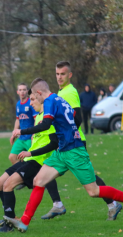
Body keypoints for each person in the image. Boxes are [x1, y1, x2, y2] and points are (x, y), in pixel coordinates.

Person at [4, 78, 123, 233]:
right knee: (38, 180)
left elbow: (46, 125)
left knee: (93, 191)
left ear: (39, 92)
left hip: (74, 152)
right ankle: (24, 221)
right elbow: (75, 118)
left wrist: (21, 131)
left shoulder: (49, 102)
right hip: (61, 152)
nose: (34, 100)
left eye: (34, 96)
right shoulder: (60, 100)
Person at [42, 61, 120, 221]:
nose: (59, 77)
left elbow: (77, 119)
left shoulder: (69, 92)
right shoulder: (61, 92)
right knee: (44, 173)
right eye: (57, 74)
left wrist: (65, 137)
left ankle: (112, 204)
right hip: (66, 143)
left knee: (91, 184)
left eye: (62, 74)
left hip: (73, 143)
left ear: (69, 75)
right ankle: (57, 204)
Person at [0, 90, 58, 232]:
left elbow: (54, 144)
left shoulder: (49, 120)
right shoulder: (38, 118)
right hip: (27, 159)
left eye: (33, 99)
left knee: (8, 185)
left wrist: (31, 152)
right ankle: (10, 215)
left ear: (41, 98)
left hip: (37, 162)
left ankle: (9, 222)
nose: (31, 103)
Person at [9, 83, 38, 165]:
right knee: (12, 157)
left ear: (27, 91)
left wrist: (34, 133)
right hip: (21, 138)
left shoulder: (31, 103)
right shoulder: (18, 104)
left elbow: (36, 119)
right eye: (20, 90)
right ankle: (22, 176)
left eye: (24, 90)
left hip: (30, 138)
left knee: (34, 160)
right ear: (17, 92)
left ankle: (39, 176)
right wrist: (14, 133)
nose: (22, 92)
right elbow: (17, 119)